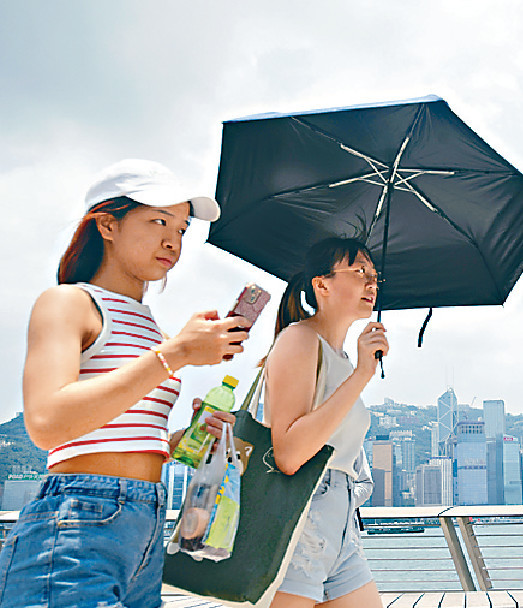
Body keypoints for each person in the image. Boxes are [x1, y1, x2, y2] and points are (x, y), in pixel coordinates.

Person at [0, 159, 252, 608]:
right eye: (158, 221)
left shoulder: (149, 324)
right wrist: (175, 354)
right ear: (106, 224)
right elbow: (47, 422)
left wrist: (185, 439)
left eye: (182, 228)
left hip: (146, 524)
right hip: (78, 518)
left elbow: (118, 429)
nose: (172, 240)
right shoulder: (68, 302)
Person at [264, 236, 389, 608]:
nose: (371, 283)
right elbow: (289, 454)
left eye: (374, 275)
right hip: (299, 514)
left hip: (341, 522)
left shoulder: (343, 358)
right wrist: (363, 375)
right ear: (322, 285)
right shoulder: (300, 340)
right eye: (358, 271)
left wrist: (359, 370)